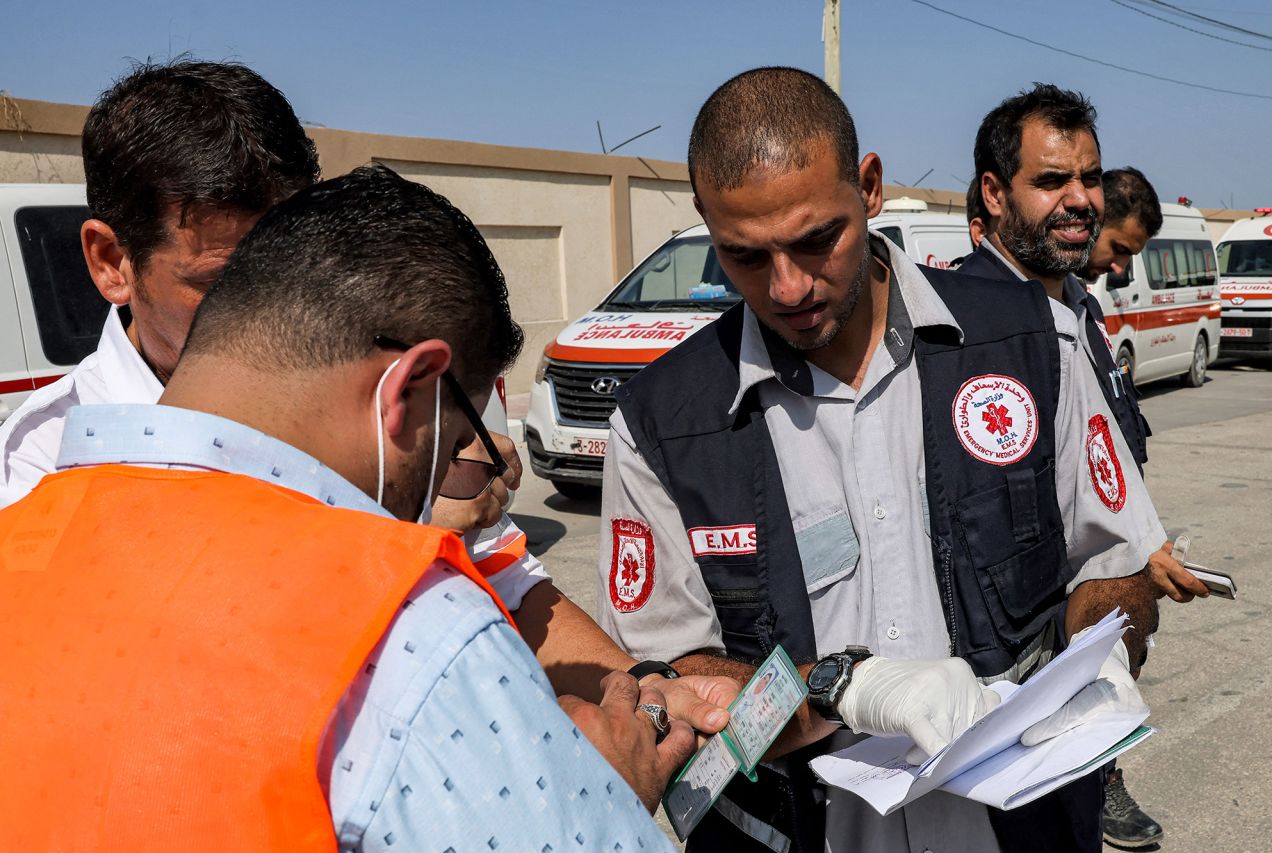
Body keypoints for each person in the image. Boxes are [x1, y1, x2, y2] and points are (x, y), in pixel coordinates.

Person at [0, 59, 736, 732]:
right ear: (110, 262)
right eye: (222, 282)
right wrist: (397, 537)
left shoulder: (364, 386)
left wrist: (639, 683)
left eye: (289, 274)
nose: (272, 317)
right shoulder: (46, 465)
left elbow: (513, 579)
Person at [0, 164, 692, 850]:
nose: (456, 479)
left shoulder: (21, 532)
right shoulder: (409, 623)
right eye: (456, 443)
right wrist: (601, 799)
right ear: (410, 386)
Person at [596, 67, 1166, 853]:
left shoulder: (1037, 343)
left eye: (814, 239)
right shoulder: (663, 425)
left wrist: (1106, 646)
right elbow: (671, 692)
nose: (789, 286)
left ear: (869, 189)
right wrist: (837, 691)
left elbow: (1121, 563)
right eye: (746, 256)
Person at [960, 87, 1209, 849]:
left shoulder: (1076, 310)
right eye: (1051, 181)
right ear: (996, 195)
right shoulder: (963, 333)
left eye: (1089, 179)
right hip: (1010, 703)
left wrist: (1139, 551)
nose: (1079, 201)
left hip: (1083, 678)